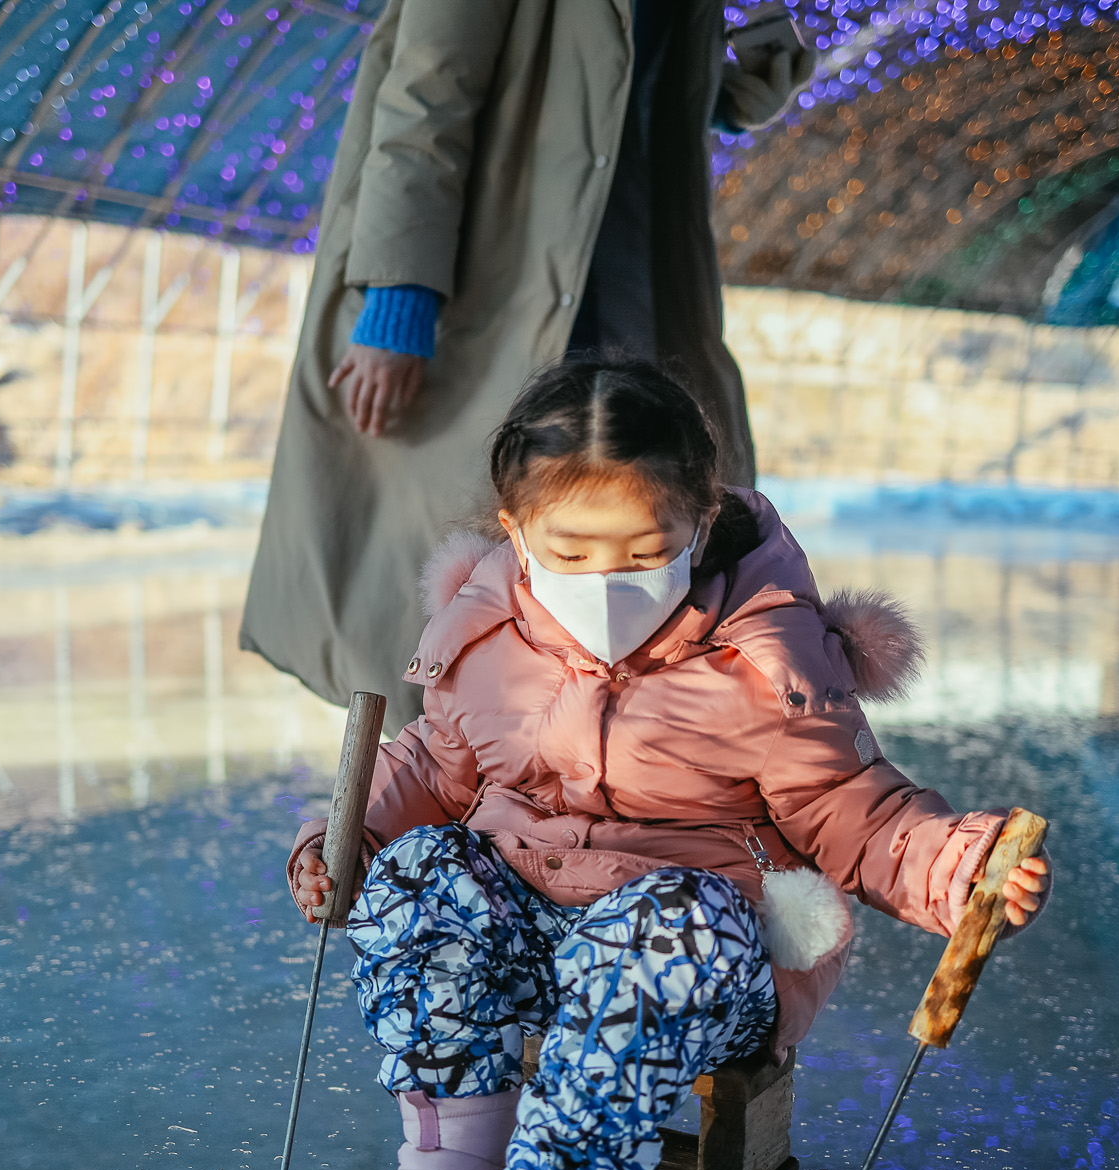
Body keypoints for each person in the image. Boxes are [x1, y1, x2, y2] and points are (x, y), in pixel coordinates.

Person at [285, 357, 1053, 1170]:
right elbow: (434, 765)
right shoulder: (485, 633)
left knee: (656, 927)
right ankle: (454, 1154)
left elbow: (857, 809)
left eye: (645, 551)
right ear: (514, 527)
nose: (607, 579)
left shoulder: (766, 658)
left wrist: (962, 867)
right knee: (416, 876)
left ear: (699, 516)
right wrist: (348, 837)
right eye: (571, 553)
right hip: (538, 922)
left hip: (694, 957)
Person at [242, 1, 818, 731]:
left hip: (625, 276)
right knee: (468, 547)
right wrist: (400, 299)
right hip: (503, 276)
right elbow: (428, 87)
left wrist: (757, 48)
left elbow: (661, 88)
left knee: (657, 532)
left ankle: (600, 781)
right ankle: (449, 774)